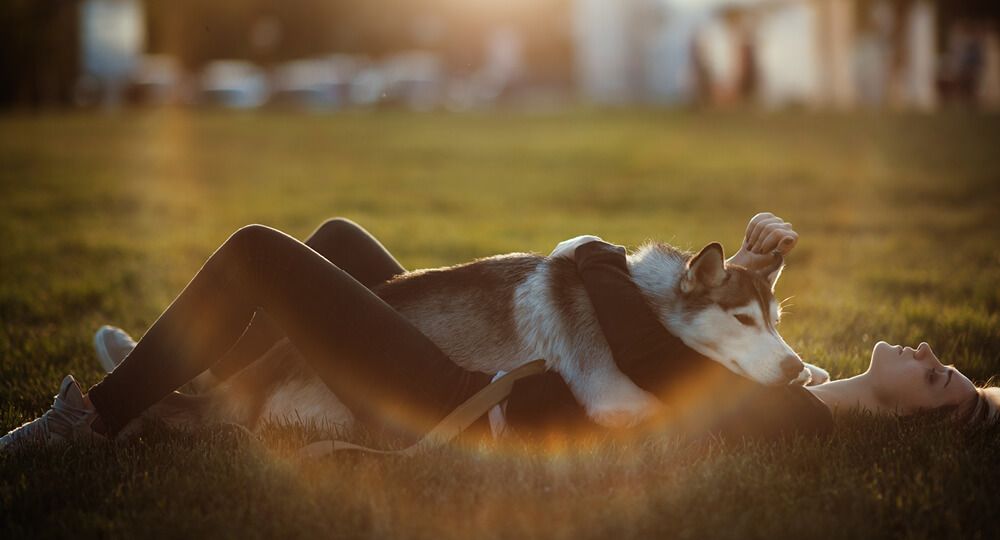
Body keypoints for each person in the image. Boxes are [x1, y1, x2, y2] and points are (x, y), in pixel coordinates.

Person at [2, 214, 996, 452]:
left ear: (912, 419)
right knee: (341, 240)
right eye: (947, 363)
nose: (929, 355)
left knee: (261, 254)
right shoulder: (801, 387)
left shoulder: (797, 428)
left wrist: (593, 255)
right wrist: (759, 265)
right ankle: (191, 397)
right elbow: (698, 329)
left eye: (942, 381)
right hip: (478, 362)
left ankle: (91, 422)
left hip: (460, 403)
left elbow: (644, 361)